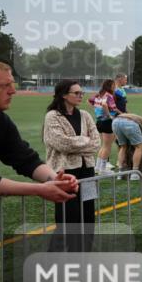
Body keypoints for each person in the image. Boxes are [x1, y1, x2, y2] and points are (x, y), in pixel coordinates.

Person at [0, 60, 78, 201]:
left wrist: (56, 179)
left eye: (12, 84)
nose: (13, 91)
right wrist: (38, 189)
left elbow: (24, 159)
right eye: (4, 86)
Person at [43, 80, 101, 251]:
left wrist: (80, 144)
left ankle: (85, 254)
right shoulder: (52, 116)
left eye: (81, 93)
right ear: (63, 95)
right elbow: (61, 143)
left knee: (88, 216)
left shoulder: (85, 115)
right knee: (68, 218)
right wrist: (85, 141)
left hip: (88, 171)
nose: (80, 95)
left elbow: (97, 143)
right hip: (65, 173)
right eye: (76, 93)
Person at [88, 79, 119, 174]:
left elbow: (89, 101)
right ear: (110, 86)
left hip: (99, 122)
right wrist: (109, 115)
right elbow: (105, 104)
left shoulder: (99, 95)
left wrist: (96, 110)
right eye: (114, 85)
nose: (115, 87)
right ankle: (103, 169)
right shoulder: (109, 95)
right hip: (107, 122)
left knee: (103, 146)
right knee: (107, 146)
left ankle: (97, 167)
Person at [112, 112, 142, 177]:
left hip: (115, 121)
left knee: (123, 147)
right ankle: (135, 173)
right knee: (138, 147)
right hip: (130, 122)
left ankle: (120, 173)